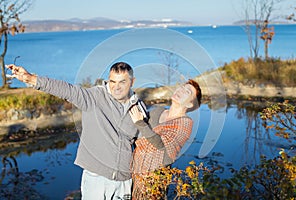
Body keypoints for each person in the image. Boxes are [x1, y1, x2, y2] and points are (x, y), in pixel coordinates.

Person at [6, 62, 144, 200]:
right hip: (97, 180)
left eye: (122, 82)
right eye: (113, 81)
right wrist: (30, 79)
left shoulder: (139, 107)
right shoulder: (94, 97)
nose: (116, 87)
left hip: (124, 181)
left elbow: (144, 141)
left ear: (132, 82)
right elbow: (67, 90)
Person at [129, 79, 202, 199]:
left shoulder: (185, 124)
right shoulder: (158, 111)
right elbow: (139, 134)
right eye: (182, 87)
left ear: (189, 104)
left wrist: (140, 123)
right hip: (134, 173)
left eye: (187, 92)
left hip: (154, 181)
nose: (181, 91)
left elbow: (161, 145)